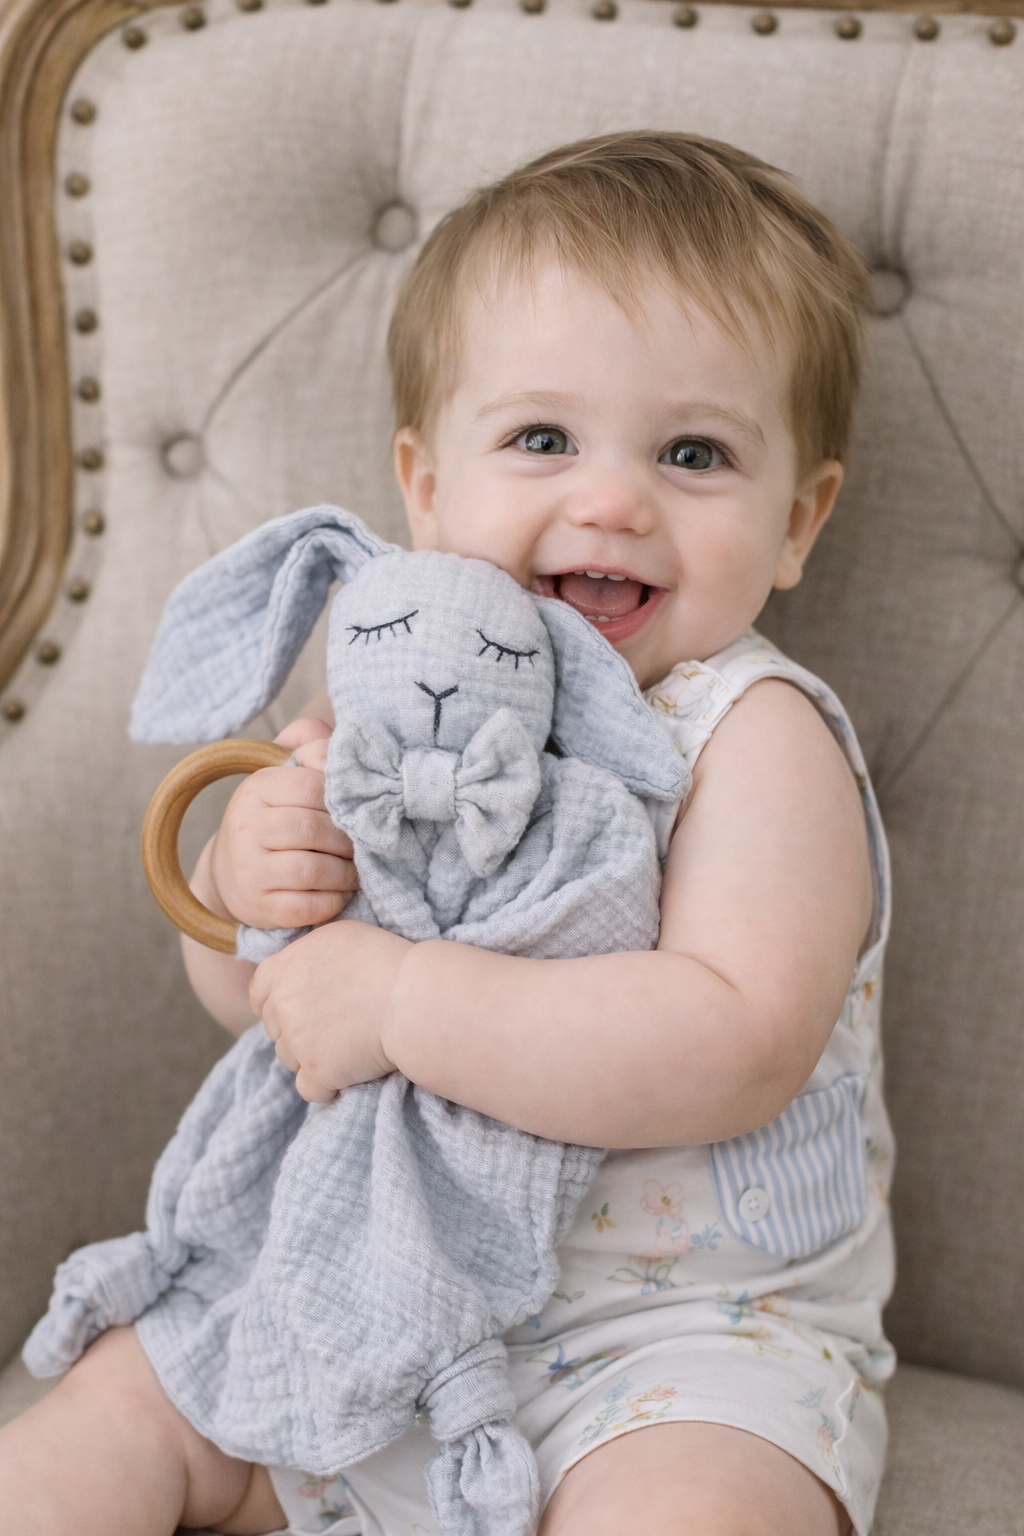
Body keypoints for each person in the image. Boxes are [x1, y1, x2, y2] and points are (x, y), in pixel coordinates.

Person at [0, 130, 894, 1536]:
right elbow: (277, 1008)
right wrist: (256, 883)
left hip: (665, 1354)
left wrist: (408, 999)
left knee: (698, 1509)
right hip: (363, 1292)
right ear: (423, 486)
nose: (611, 499)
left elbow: (733, 1039)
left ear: (798, 519)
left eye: (694, 452)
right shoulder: (395, 694)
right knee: (112, 1421)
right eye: (542, 438)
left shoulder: (754, 736)